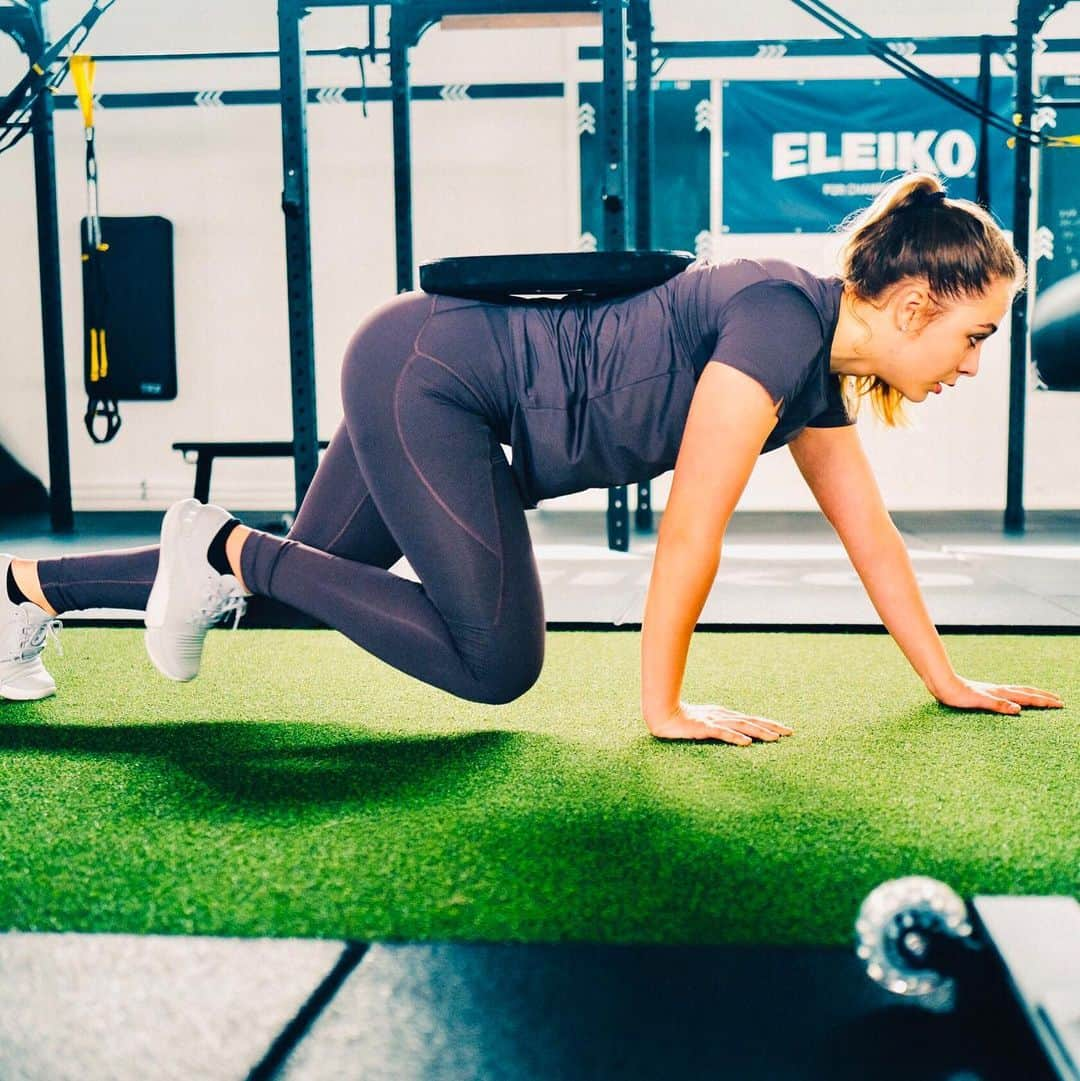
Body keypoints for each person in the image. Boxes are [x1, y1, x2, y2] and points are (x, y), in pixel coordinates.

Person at [0, 171, 1065, 741]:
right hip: (435, 374)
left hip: (427, 369)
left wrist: (948, 677)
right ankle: (223, 541)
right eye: (975, 336)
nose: (975, 364)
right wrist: (665, 707)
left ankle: (23, 588)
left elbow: (869, 536)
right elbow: (692, 521)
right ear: (916, 303)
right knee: (496, 660)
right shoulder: (779, 317)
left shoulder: (812, 372)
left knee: (295, 589)